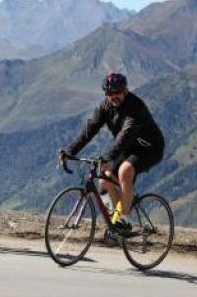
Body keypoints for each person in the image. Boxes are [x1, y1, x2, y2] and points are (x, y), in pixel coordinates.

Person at [58, 73, 164, 234]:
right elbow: (90, 129)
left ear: (125, 90)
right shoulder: (104, 107)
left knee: (125, 171)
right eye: (109, 93)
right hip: (128, 147)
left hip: (150, 148)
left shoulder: (135, 107)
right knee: (104, 180)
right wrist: (70, 151)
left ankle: (124, 219)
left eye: (117, 92)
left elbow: (125, 135)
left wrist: (108, 157)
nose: (113, 96)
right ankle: (117, 221)